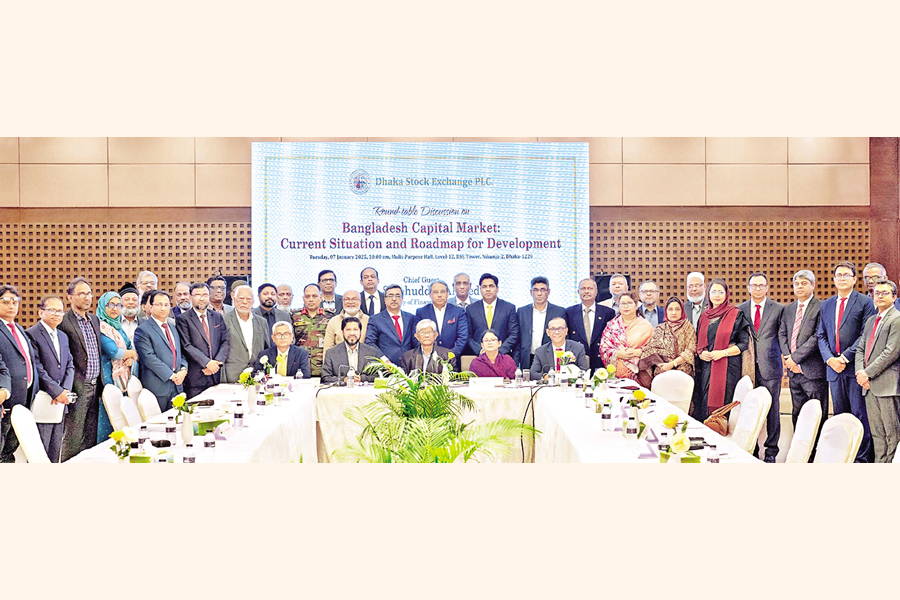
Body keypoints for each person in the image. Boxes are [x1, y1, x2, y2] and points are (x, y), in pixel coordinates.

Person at [817, 261, 877, 462]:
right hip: (834, 370)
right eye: (838, 275)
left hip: (854, 368)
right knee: (840, 417)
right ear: (834, 280)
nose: (842, 278)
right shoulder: (826, 304)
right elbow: (821, 335)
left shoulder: (865, 302)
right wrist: (830, 359)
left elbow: (865, 334)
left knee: (859, 417)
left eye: (846, 275)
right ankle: (842, 457)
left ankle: (861, 459)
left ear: (854, 279)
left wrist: (844, 357)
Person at [778, 270, 828, 457]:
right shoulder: (789, 309)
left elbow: (817, 337)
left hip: (813, 372)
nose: (799, 286)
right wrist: (787, 357)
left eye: (804, 283)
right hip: (794, 373)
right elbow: (782, 333)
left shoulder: (821, 307)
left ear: (813, 285)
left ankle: (817, 454)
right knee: (797, 414)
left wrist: (795, 358)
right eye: (797, 283)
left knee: (817, 415)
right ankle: (800, 453)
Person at [689, 279, 752, 422]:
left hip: (728, 367)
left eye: (720, 292)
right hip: (706, 367)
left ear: (726, 294)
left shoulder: (735, 314)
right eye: (713, 292)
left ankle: (724, 432)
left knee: (725, 404)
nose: (717, 295)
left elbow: (743, 344)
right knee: (705, 404)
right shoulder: (704, 316)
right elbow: (699, 341)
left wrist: (723, 353)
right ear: (709, 294)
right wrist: (701, 353)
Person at [738, 272, 784, 462]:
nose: (757, 289)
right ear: (748, 288)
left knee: (772, 409)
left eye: (761, 285)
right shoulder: (740, 309)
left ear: (767, 288)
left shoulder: (778, 309)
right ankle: (752, 448)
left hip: (771, 365)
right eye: (754, 285)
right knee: (749, 409)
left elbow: (783, 336)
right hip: (747, 366)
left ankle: (771, 451)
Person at [57, 277, 103, 462]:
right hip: (77, 386)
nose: (87, 297)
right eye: (82, 294)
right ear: (70, 297)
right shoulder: (64, 322)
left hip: (95, 385)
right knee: (73, 437)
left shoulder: (94, 320)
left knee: (90, 436)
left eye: (89, 293)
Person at [854, 279, 900, 462]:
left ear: (894, 297)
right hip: (869, 386)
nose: (879, 296)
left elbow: (891, 352)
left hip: (887, 386)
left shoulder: (897, 319)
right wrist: (860, 372)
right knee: (877, 435)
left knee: (892, 435)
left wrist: (867, 373)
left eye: (884, 293)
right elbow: (860, 348)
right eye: (876, 293)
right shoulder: (871, 320)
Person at [25, 296, 74, 463]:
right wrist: (56, 391)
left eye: (60, 311)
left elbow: (70, 365)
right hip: (43, 399)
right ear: (41, 312)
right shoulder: (31, 334)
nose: (57, 314)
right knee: (40, 452)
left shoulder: (63, 336)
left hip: (61, 401)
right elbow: (36, 367)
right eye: (52, 310)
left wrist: (64, 391)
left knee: (55, 449)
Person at [0, 285, 39, 462]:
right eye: (5, 302)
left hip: (24, 396)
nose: (11, 306)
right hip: (5, 398)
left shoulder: (19, 329)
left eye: (15, 302)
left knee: (10, 449)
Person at [133, 291, 188, 412]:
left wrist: (183, 370)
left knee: (178, 420)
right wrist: (171, 375)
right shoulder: (142, 330)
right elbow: (148, 358)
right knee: (158, 421)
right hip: (158, 387)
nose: (163, 308)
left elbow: (180, 353)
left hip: (177, 386)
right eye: (159, 304)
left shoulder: (173, 327)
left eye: (166, 305)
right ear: (150, 307)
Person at [96, 291, 139, 442]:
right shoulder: (101, 327)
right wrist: (131, 354)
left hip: (123, 378)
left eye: (118, 305)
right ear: (103, 306)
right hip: (109, 376)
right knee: (110, 414)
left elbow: (128, 346)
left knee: (123, 414)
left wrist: (131, 357)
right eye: (111, 305)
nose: (115, 309)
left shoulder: (117, 326)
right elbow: (113, 351)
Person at [176, 282, 231, 399]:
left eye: (205, 295)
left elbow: (225, 341)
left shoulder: (217, 317)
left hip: (216, 374)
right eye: (197, 295)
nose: (202, 298)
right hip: (196, 378)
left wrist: (216, 363)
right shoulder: (183, 319)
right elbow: (186, 346)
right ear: (190, 297)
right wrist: (207, 363)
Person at [638, 297, 697, 385]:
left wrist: (673, 364)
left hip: (682, 368)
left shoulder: (688, 327)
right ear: (666, 311)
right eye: (670, 309)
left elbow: (691, 350)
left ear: (682, 311)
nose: (674, 312)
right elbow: (651, 349)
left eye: (677, 309)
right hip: (662, 368)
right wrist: (661, 365)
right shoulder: (661, 328)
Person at [600, 290, 654, 381]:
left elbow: (655, 348)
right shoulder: (612, 326)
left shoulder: (646, 326)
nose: (626, 306)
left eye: (629, 303)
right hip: (616, 375)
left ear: (636, 305)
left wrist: (638, 352)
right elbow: (603, 348)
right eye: (623, 303)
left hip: (640, 374)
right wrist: (617, 354)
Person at [221, 285, 270, 382]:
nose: (244, 302)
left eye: (248, 299)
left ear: (253, 302)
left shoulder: (261, 321)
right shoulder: (224, 320)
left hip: (257, 374)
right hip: (232, 375)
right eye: (241, 298)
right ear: (234, 300)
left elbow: (266, 349)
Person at [566, 278, 616, 371]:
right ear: (578, 292)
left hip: (601, 363)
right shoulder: (569, 312)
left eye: (590, 288)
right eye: (583, 288)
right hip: (576, 362)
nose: (586, 291)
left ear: (596, 291)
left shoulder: (608, 313)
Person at [516, 276, 566, 369]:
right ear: (531, 292)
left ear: (548, 292)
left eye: (543, 290)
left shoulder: (559, 311)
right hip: (527, 357)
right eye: (536, 290)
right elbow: (518, 338)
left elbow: (564, 336)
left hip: (550, 357)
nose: (539, 293)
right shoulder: (522, 311)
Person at [415, 280, 468, 365]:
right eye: (435, 292)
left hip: (452, 361)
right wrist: (428, 355)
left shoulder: (458, 312)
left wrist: (450, 356)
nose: (439, 295)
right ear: (430, 295)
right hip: (427, 361)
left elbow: (463, 337)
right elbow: (416, 337)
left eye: (442, 292)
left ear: (447, 294)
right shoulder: (421, 312)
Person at [466, 273, 519, 356]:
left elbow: (514, 334)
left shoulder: (509, 308)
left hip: (502, 356)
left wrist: (499, 351)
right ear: (480, 289)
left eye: (491, 286)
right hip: (478, 357)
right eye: (484, 287)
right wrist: (480, 351)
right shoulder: (471, 309)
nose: (488, 289)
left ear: (497, 289)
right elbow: (468, 336)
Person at [365, 284, 416, 365]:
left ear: (402, 299)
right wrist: (383, 359)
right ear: (385, 300)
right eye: (390, 296)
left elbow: (416, 340)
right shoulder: (375, 319)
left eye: (397, 296)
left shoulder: (411, 318)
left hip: (410, 365)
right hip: (386, 366)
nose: (394, 299)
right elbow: (370, 342)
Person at [322, 317, 382, 383]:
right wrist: (344, 379)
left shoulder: (372, 352)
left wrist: (361, 378)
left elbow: (379, 376)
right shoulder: (331, 353)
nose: (352, 333)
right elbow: (325, 377)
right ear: (342, 332)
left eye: (355, 329)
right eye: (348, 330)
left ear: (360, 332)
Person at [290, 283, 331, 376]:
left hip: (323, 367)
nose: (311, 299)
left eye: (314, 296)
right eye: (307, 296)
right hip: (300, 367)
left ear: (321, 298)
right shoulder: (294, 316)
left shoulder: (330, 316)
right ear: (303, 298)